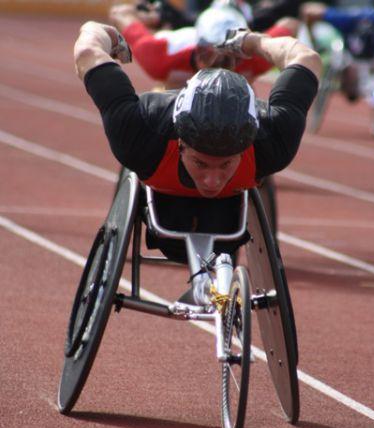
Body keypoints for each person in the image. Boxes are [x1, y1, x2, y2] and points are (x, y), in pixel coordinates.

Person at [73, 23, 321, 261]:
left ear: (246, 146)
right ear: (180, 143)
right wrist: (111, 36)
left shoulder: (273, 138)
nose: (212, 181)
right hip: (163, 212)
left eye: (225, 164)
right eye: (201, 163)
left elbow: (307, 57)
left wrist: (253, 42)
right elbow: (87, 50)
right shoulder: (141, 133)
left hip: (227, 221)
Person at [109, 2, 300, 87]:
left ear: (244, 49)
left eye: (233, 57)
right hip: (176, 89)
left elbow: (290, 24)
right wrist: (146, 14)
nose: (223, 66)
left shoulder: (255, 55)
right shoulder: (161, 54)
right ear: (199, 51)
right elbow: (119, 12)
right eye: (215, 55)